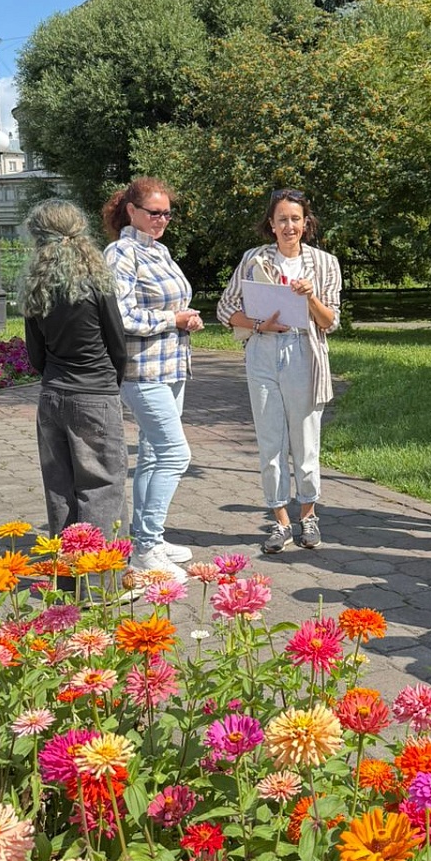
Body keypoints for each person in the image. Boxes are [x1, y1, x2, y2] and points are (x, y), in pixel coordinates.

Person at [217, 188, 342, 554]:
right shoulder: (253, 259)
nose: (289, 226)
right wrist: (260, 325)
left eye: (296, 219)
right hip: (263, 350)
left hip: (304, 350)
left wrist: (310, 297)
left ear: (306, 223)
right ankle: (280, 520)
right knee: (271, 440)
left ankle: (308, 516)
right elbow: (225, 309)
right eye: (282, 219)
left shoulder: (324, 263)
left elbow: (330, 321)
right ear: (271, 224)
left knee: (306, 439)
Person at [103, 177, 203, 576]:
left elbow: (170, 304)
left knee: (152, 453)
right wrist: (171, 319)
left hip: (172, 365)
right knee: (175, 454)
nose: (162, 220)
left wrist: (185, 319)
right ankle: (145, 551)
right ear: (132, 211)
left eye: (167, 214)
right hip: (142, 371)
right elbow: (121, 316)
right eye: (154, 213)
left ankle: (149, 540)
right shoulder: (121, 253)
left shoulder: (159, 251)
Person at [18, 199, 127, 545]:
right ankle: (100, 573)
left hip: (52, 394)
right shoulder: (97, 282)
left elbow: (35, 355)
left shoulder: (36, 287)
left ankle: (64, 570)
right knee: (102, 485)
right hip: (95, 392)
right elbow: (118, 345)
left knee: (60, 488)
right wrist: (110, 385)